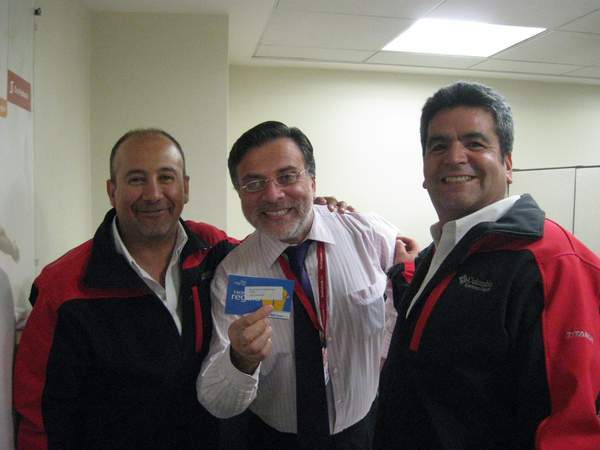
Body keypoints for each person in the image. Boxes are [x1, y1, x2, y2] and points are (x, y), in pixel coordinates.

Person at [13, 127, 348, 450]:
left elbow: (274, 255)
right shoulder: (65, 287)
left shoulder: (216, 253)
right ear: (112, 191)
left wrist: (312, 214)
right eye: (136, 179)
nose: (153, 194)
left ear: (185, 188)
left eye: (166, 177)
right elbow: (40, 414)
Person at [376, 81, 600, 450]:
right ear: (424, 169)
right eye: (438, 146)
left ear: (508, 164)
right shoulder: (440, 252)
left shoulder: (552, 262)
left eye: (475, 143)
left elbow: (568, 427)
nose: (454, 157)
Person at [197, 121, 416, 450]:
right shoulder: (233, 274)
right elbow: (218, 403)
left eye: (287, 176)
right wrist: (240, 360)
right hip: (274, 440)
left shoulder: (370, 236)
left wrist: (385, 352)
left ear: (312, 181)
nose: (273, 195)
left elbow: (410, 306)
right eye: (254, 183)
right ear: (239, 193)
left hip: (364, 430)